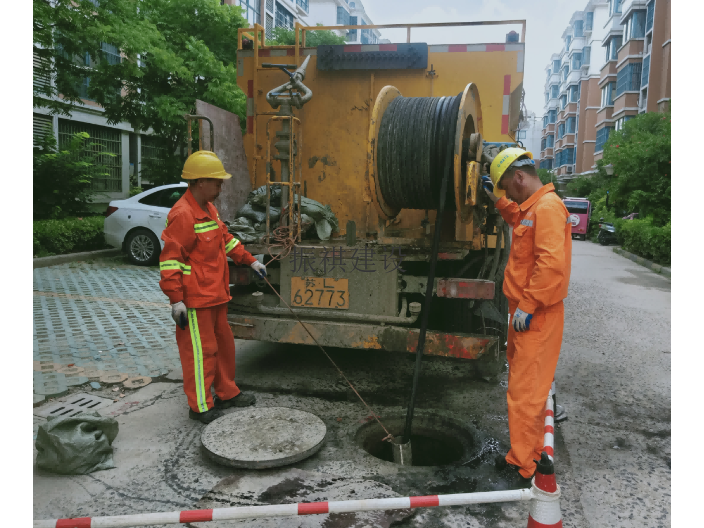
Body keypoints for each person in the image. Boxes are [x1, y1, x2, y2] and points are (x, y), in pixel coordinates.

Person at [482, 148, 572, 488]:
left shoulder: (548, 208)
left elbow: (551, 264)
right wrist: (497, 200)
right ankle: (532, 452)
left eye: (508, 187)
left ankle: (523, 466)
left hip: (536, 315)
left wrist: (528, 305)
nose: (509, 194)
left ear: (519, 177)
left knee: (525, 392)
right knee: (528, 387)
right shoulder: (533, 208)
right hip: (526, 314)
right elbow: (520, 222)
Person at [159, 150, 268, 424]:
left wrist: (251, 262)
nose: (221, 187)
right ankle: (199, 406)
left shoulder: (208, 209)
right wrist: (176, 300)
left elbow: (226, 240)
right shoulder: (183, 215)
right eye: (217, 182)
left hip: (217, 296)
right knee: (201, 351)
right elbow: (171, 260)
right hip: (195, 301)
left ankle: (227, 392)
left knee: (224, 346)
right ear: (199, 182)